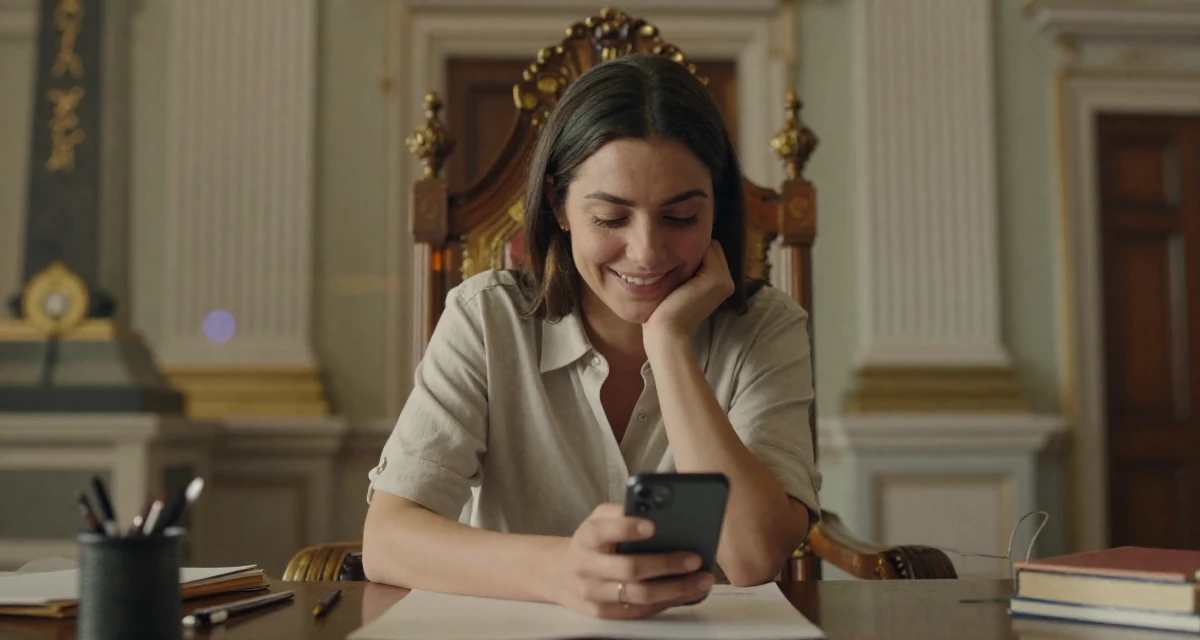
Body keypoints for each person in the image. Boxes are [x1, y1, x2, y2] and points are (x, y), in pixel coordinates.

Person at [362, 53, 821, 620]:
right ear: (558, 204)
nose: (648, 252)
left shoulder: (765, 327)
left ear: (716, 210)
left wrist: (670, 343)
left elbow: (753, 557)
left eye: (680, 218)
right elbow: (386, 541)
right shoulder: (485, 318)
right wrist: (562, 572)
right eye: (611, 217)